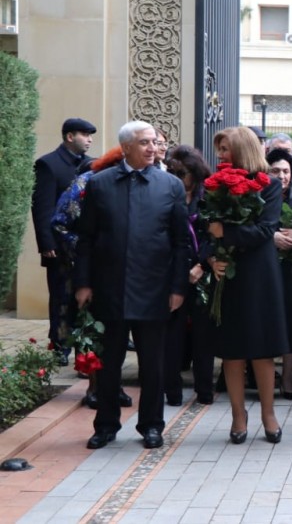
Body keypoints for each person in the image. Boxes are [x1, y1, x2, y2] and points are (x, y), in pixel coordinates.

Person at [74, 120, 188, 449]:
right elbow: (86, 239)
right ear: (125, 147)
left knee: (152, 365)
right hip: (108, 289)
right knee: (109, 364)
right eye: (144, 142)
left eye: (154, 142)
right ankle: (106, 425)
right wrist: (83, 283)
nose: (152, 148)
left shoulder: (170, 186)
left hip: (155, 290)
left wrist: (178, 287)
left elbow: (181, 243)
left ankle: (151, 425)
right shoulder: (99, 184)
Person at [208, 126, 288, 444]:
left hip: (260, 275)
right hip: (227, 273)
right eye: (220, 150)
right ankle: (238, 416)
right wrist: (211, 259)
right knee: (232, 352)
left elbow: (264, 230)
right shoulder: (215, 185)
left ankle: (269, 414)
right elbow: (204, 227)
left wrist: (223, 234)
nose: (221, 156)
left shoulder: (267, 184)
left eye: (225, 149)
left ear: (242, 149)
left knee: (262, 350)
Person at [52, 146, 133, 411]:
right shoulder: (87, 183)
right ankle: (95, 387)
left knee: (119, 331)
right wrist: (88, 250)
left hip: (123, 270)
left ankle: (113, 385)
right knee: (94, 330)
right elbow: (60, 222)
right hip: (91, 269)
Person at [33, 117, 97, 362]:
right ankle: (60, 345)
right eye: (85, 135)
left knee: (84, 297)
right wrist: (46, 243)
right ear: (70, 137)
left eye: (91, 135)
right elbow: (42, 207)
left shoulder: (92, 165)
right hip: (58, 247)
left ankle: (83, 343)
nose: (90, 140)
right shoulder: (48, 164)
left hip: (83, 246)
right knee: (61, 296)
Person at [162, 145, 216, 407]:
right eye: (172, 172)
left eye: (181, 173)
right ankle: (172, 392)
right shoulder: (165, 195)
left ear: (194, 172)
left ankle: (205, 391)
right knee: (172, 336)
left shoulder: (209, 196)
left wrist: (202, 265)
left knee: (203, 337)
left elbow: (214, 235)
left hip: (203, 274)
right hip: (173, 274)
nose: (177, 178)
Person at [266, 148, 292, 400]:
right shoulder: (258, 194)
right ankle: (266, 376)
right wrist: (271, 237)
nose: (281, 176)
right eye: (275, 171)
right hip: (267, 267)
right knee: (269, 322)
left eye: (285, 171)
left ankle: (287, 378)